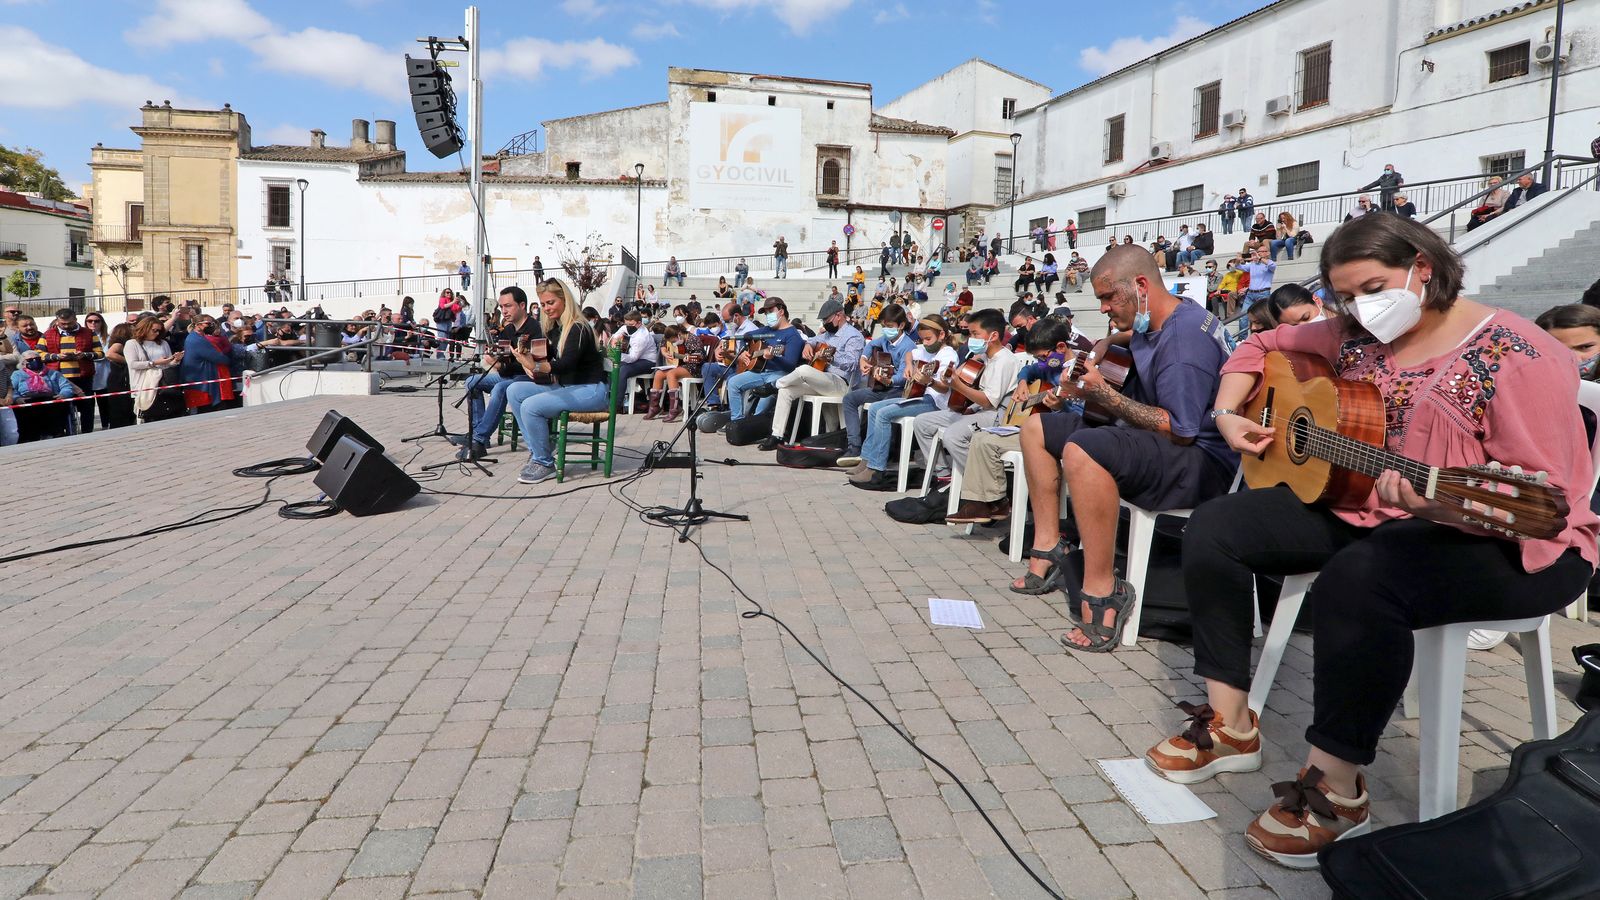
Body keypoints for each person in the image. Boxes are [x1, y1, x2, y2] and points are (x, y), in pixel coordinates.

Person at [1146, 212, 1596, 868]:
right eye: (1345, 295)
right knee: (1215, 526)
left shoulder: (1516, 353)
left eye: (1373, 288)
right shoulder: (1354, 332)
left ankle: (1338, 785)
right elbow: (1259, 344)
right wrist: (1227, 411)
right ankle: (1231, 724)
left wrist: (1438, 503)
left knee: (1360, 578)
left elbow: (1545, 500)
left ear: (1423, 267)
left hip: (1515, 541)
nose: (1360, 307)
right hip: (1370, 510)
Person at [1012, 246, 1237, 652]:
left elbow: (1179, 429)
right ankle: (1050, 544)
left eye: (1107, 297)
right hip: (1162, 439)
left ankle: (1105, 588)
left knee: (1083, 448)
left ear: (1140, 286)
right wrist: (1107, 342)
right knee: (1036, 428)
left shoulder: (1183, 344)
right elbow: (1139, 336)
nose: (1102, 308)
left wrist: (1105, 395)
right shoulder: (1168, 313)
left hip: (1199, 462)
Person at [949, 317, 1081, 523]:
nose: (1040, 363)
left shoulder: (1079, 373)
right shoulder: (1051, 364)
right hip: (1040, 427)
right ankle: (990, 502)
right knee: (980, 437)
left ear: (1061, 347)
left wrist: (1061, 406)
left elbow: (1083, 415)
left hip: (1063, 435)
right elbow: (1029, 370)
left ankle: (993, 502)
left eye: (1042, 357)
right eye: (1037, 358)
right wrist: (1022, 382)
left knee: (987, 441)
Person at [497, 279, 611, 484]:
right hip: (569, 386)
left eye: (550, 302)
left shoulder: (578, 328)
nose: (546, 308)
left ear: (564, 299)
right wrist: (526, 357)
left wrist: (534, 365)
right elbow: (549, 359)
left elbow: (565, 365)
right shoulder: (557, 329)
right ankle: (538, 450)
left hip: (591, 390)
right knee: (514, 390)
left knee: (531, 406)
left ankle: (544, 462)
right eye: (543, 304)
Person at [906, 307, 1026, 489]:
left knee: (953, 436)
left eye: (975, 334)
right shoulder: (985, 356)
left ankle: (983, 485)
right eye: (970, 334)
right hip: (978, 410)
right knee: (922, 423)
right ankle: (944, 475)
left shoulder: (1004, 361)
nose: (971, 339)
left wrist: (958, 386)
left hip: (997, 415)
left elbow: (988, 401)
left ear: (993, 336)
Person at [849, 315, 962, 489]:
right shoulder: (926, 350)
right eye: (922, 339)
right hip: (919, 396)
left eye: (928, 339)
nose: (925, 343)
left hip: (934, 402)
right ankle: (867, 458)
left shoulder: (948, 355)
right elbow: (911, 353)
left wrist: (929, 382)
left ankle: (876, 468)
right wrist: (909, 364)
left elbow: (945, 388)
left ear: (941, 335)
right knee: (874, 408)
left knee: (883, 414)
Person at [756, 298, 865, 450]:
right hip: (822, 380)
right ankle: (777, 436)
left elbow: (852, 363)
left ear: (839, 316)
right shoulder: (828, 334)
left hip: (842, 384)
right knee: (786, 391)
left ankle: (774, 385)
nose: (824, 323)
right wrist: (808, 345)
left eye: (826, 319)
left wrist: (831, 357)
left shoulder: (854, 335)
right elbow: (813, 339)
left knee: (804, 370)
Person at [449, 286, 544, 461]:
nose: (504, 311)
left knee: (500, 387)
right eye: (501, 307)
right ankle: (478, 434)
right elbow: (505, 361)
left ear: (522, 305)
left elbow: (535, 364)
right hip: (509, 376)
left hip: (527, 378)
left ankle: (478, 439)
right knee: (472, 381)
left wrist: (503, 366)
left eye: (508, 306)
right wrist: (495, 359)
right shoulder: (507, 330)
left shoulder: (535, 329)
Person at [837, 305, 916, 464]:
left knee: (878, 408)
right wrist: (863, 359)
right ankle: (854, 446)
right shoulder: (885, 339)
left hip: (898, 391)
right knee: (849, 399)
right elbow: (870, 345)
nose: (886, 330)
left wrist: (890, 380)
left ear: (901, 325)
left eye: (889, 326)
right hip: (882, 387)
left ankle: (875, 454)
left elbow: (904, 376)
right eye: (883, 326)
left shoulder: (908, 346)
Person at [723, 298, 805, 423]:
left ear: (781, 311)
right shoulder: (767, 330)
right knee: (733, 382)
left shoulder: (793, 335)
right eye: (766, 313)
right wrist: (746, 351)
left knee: (760, 409)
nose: (768, 315)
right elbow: (747, 336)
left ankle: (755, 424)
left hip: (779, 375)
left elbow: (790, 366)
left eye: (770, 311)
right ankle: (737, 422)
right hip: (760, 372)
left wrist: (774, 357)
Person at [35, 308, 103, 434]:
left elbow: (100, 353)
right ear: (57, 321)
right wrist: (56, 356)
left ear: (76, 319)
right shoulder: (47, 334)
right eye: (63, 323)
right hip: (58, 378)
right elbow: (39, 354)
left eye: (69, 323)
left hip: (83, 376)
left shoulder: (89, 333)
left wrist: (84, 355)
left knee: (87, 407)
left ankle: (87, 433)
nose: (66, 326)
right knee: (59, 408)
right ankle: (61, 434)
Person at [181, 315, 245, 414]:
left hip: (205, 378)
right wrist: (228, 360)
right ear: (198, 325)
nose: (211, 326)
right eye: (208, 323)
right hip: (201, 381)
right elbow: (217, 357)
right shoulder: (196, 340)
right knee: (207, 411)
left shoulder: (199, 337)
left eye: (212, 323)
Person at [10, 350, 78, 442]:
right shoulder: (17, 374)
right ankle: (31, 437)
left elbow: (66, 386)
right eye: (30, 360)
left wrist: (63, 394)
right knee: (25, 410)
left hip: (51, 399)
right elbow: (12, 389)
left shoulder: (53, 373)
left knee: (58, 406)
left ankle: (54, 433)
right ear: (23, 363)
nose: (34, 361)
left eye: (37, 359)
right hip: (27, 400)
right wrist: (16, 398)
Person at [126, 316, 183, 424]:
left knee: (165, 415)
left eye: (159, 331)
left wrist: (175, 360)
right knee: (147, 415)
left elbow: (167, 364)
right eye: (154, 330)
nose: (157, 333)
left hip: (163, 384)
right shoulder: (132, 343)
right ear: (145, 328)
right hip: (143, 384)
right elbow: (133, 364)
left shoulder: (163, 343)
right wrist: (155, 363)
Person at [645, 325, 704, 423]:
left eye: (673, 341)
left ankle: (674, 408)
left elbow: (700, 357)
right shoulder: (670, 336)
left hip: (693, 368)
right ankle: (654, 407)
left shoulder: (693, 340)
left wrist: (688, 358)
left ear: (679, 335)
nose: (672, 343)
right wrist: (664, 352)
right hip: (679, 366)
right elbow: (664, 343)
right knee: (659, 373)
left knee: (671, 374)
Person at [613, 307, 660, 395]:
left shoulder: (641, 337)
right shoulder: (626, 327)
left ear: (639, 323)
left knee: (623, 370)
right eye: (626, 324)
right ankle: (610, 394)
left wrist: (617, 355)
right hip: (635, 357)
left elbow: (632, 358)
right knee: (613, 366)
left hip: (648, 362)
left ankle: (618, 401)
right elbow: (616, 335)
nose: (628, 327)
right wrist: (616, 339)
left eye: (631, 324)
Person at [98, 323, 135, 429]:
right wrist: (128, 362)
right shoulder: (119, 344)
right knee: (121, 406)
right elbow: (109, 354)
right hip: (119, 378)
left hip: (119, 378)